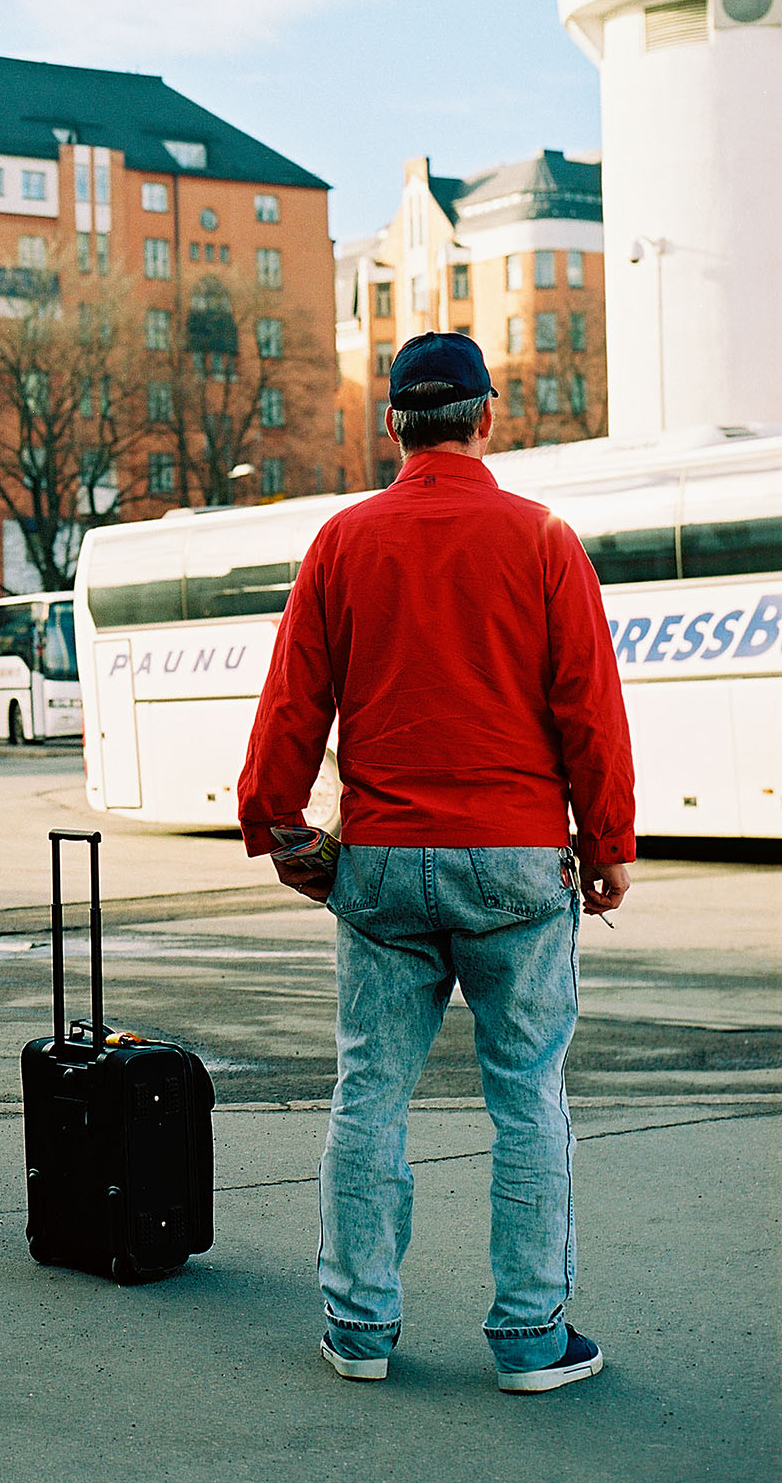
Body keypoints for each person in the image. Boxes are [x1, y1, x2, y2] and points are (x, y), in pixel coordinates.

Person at [237, 332, 633, 1395]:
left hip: (381, 860)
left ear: (392, 427)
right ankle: (532, 1340)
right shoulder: (543, 539)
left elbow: (289, 714)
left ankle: (359, 1330)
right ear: (488, 419)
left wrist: (289, 840)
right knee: (528, 1098)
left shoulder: (341, 542)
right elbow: (590, 714)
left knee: (370, 1090)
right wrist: (607, 852)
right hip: (514, 865)